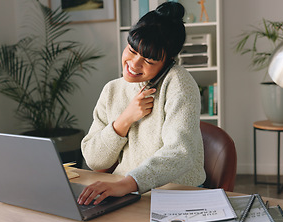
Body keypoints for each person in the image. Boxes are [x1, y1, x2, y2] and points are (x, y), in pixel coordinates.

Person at [77, 2, 206, 206]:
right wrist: (125, 119)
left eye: (149, 61)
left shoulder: (179, 83)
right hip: (126, 191)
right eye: (132, 50)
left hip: (174, 195)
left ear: (168, 62)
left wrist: (129, 183)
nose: (134, 64)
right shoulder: (112, 90)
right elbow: (94, 161)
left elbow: (180, 152)